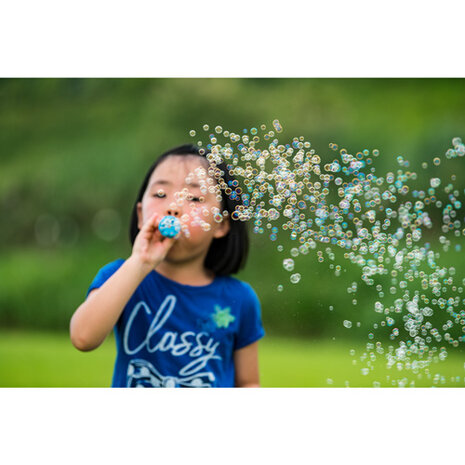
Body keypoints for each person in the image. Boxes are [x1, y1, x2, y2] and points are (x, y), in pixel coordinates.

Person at [70, 144, 265, 387]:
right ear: (141, 216)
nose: (173, 207)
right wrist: (140, 262)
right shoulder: (122, 276)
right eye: (160, 194)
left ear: (222, 224)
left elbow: (248, 383)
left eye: (194, 198)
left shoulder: (240, 299)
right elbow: (82, 337)